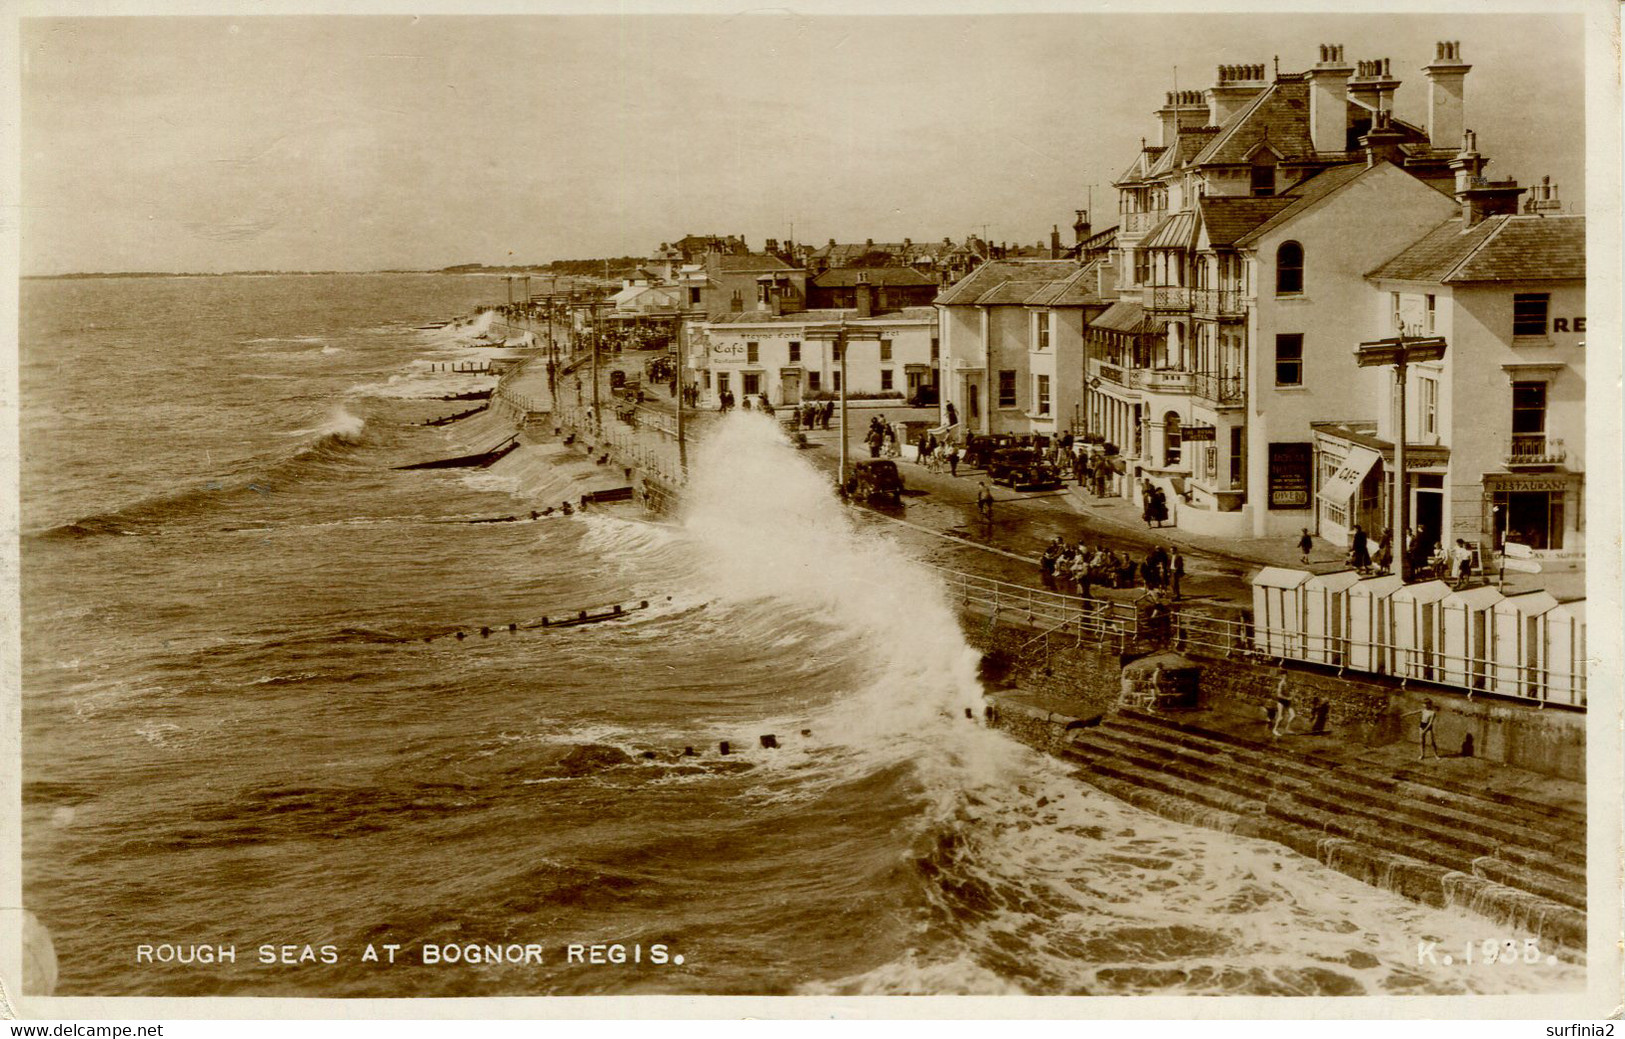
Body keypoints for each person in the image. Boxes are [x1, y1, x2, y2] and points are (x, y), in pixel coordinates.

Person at [1271, 673, 1295, 737]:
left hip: (1287, 702)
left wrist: (1291, 695)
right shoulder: (1280, 684)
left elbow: (1289, 692)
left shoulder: (1287, 683)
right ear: (1282, 677)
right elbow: (1278, 695)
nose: (1286, 678)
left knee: (1293, 715)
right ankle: (1274, 730)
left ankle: (1286, 728)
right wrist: (1287, 698)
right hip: (1281, 702)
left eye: (1286, 676)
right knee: (1281, 717)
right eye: (1284, 677)